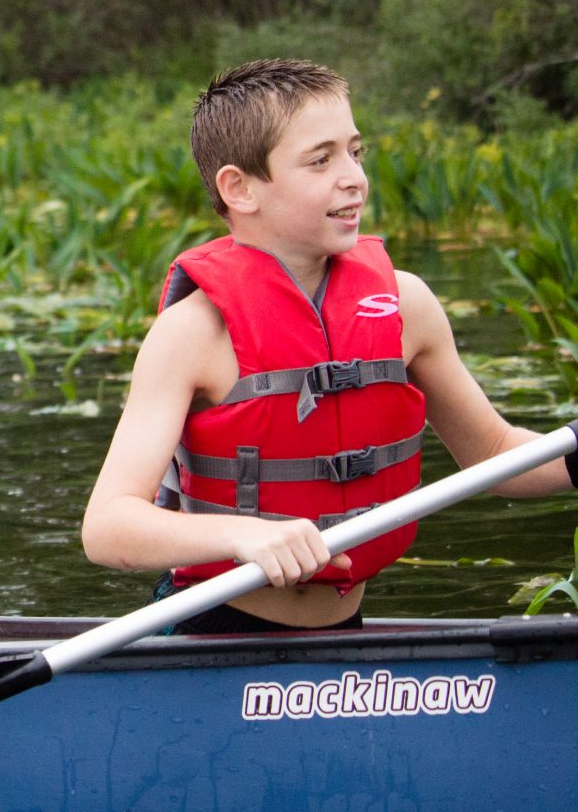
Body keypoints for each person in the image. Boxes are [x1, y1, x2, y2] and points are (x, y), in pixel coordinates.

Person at [82, 58, 576, 633]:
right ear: (239, 188)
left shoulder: (405, 304)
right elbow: (108, 528)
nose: (354, 177)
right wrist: (244, 534)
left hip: (345, 637)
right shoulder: (194, 333)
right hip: (211, 630)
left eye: (355, 152)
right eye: (320, 160)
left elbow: (496, 454)